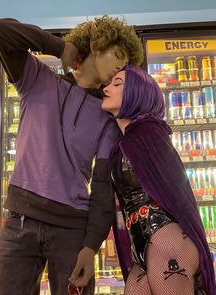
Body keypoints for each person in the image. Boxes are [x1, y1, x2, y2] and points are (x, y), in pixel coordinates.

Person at [0, 17, 143, 295]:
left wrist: (91, 247)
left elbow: (103, 185)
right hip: (19, 224)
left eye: (126, 63)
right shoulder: (35, 78)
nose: (122, 66)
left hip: (72, 231)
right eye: (118, 54)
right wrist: (59, 47)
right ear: (98, 44)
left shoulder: (109, 116)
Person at [101, 65, 216, 295]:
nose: (106, 88)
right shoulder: (126, 142)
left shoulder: (149, 134)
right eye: (109, 83)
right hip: (144, 246)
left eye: (117, 83)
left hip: (167, 241)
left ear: (137, 93)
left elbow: (176, 193)